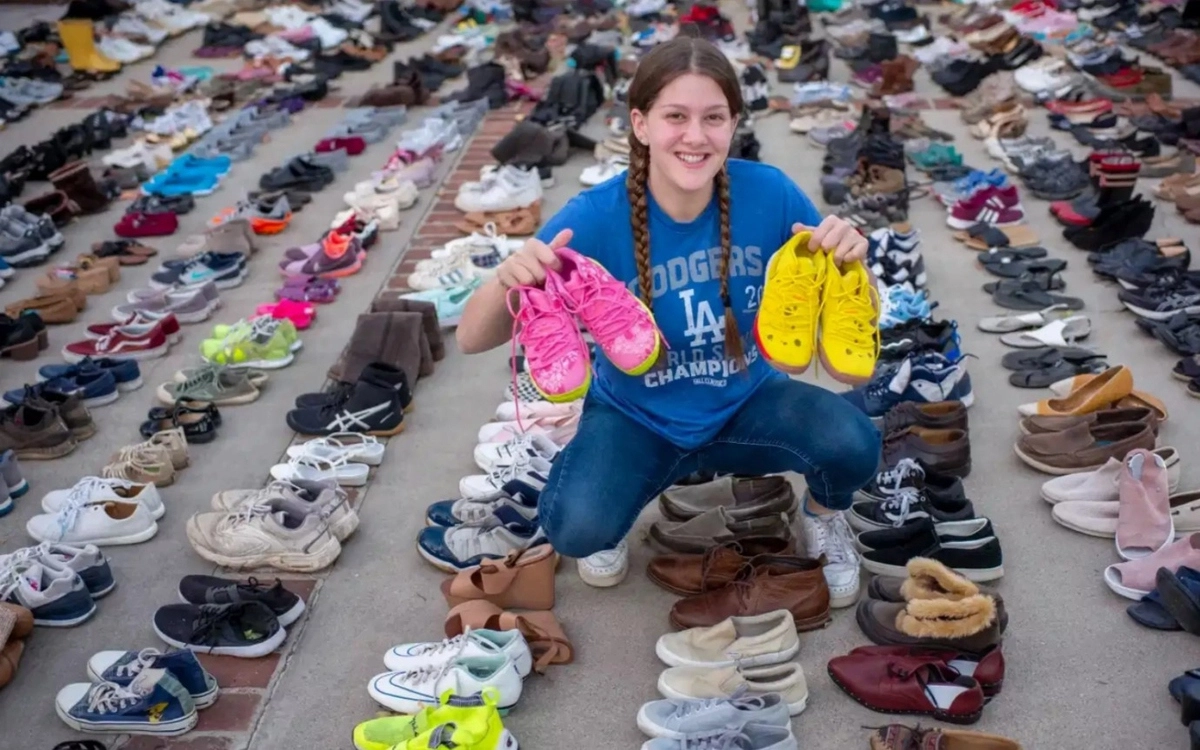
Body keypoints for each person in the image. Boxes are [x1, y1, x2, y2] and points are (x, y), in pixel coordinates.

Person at [456, 36, 882, 601]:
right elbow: (471, 338)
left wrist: (855, 261)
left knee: (855, 442)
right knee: (577, 530)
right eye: (675, 116)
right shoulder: (593, 216)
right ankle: (613, 490)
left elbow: (854, 311)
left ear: (733, 124)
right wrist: (507, 276)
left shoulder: (770, 194)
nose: (695, 136)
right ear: (640, 124)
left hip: (748, 404)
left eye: (713, 118)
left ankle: (822, 518)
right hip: (637, 416)